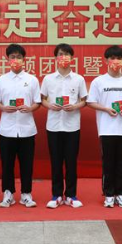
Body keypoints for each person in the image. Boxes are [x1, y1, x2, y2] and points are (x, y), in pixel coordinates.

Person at [87, 45, 122, 208]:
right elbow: (91, 102)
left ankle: (121, 194)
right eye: (112, 58)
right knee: (108, 163)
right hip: (106, 129)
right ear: (106, 61)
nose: (115, 61)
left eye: (119, 58)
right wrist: (105, 109)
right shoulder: (99, 81)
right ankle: (109, 194)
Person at [0, 44, 41, 208]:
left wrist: (30, 108)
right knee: (7, 164)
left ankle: (26, 193)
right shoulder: (1, 80)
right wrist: (4, 108)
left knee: (27, 163)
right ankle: (8, 193)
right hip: (7, 129)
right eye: (12, 57)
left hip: (27, 129)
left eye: (19, 57)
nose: (16, 60)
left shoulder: (32, 80)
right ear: (7, 59)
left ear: (24, 59)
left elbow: (37, 102)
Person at [40, 43, 88, 208]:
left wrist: (75, 106)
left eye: (67, 54)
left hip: (72, 126)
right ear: (55, 58)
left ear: (72, 58)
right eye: (61, 54)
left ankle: (71, 195)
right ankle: (56, 195)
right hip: (53, 126)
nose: (64, 57)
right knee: (56, 162)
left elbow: (84, 100)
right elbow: (42, 99)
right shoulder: (48, 79)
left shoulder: (78, 79)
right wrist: (49, 105)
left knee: (71, 162)